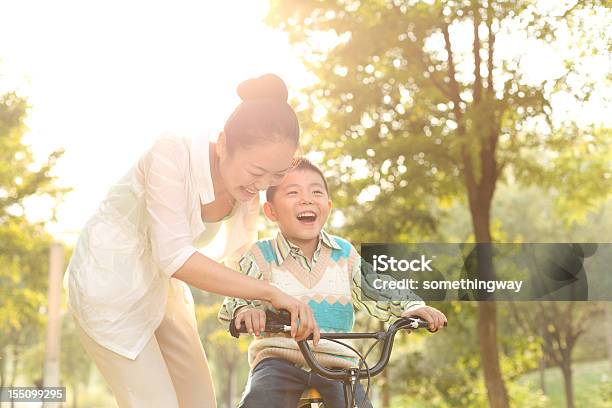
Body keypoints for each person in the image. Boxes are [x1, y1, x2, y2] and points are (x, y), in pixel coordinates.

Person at [64, 74, 320, 408]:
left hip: (161, 290)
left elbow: (241, 262)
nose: (261, 185)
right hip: (108, 286)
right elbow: (174, 255)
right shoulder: (171, 152)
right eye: (257, 171)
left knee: (200, 401)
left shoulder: (245, 195)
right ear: (225, 143)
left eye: (276, 175)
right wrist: (270, 293)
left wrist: (256, 303)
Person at [219, 158, 447, 408]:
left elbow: (376, 286)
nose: (306, 199)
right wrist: (245, 311)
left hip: (338, 364)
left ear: (327, 206)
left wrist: (410, 307)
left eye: (316, 192)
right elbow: (236, 294)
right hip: (278, 360)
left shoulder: (344, 254)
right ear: (271, 211)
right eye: (293, 192)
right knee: (258, 401)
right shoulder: (261, 255)